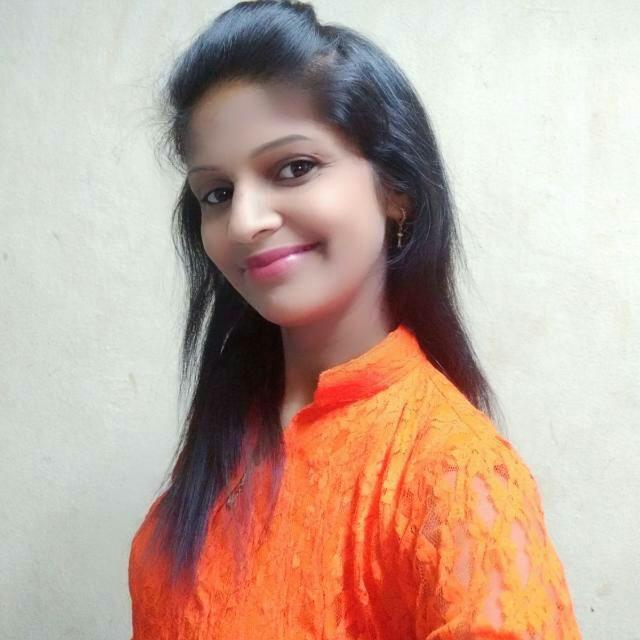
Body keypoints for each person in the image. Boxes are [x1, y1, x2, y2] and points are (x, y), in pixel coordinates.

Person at [128, 1, 582, 637]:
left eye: (294, 168)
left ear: (396, 190)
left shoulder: (452, 474)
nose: (245, 222)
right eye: (218, 193)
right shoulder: (231, 426)